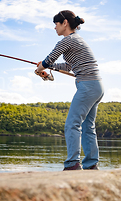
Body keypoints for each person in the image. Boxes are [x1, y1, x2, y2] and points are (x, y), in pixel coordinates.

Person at [35, 10, 104, 171]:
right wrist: (47, 66)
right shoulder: (78, 40)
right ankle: (91, 164)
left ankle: (73, 164)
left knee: (72, 124)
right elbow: (67, 66)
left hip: (87, 86)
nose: (55, 28)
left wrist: (41, 67)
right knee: (88, 126)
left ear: (64, 23)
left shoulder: (67, 41)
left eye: (56, 24)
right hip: (97, 86)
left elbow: (50, 59)